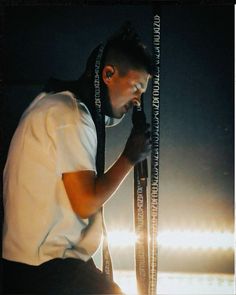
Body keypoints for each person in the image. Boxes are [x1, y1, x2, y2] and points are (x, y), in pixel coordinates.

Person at [2, 22, 153, 294]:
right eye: (136, 88)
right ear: (108, 74)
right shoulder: (71, 116)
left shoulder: (58, 104)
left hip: (37, 264)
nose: (137, 101)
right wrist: (130, 157)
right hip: (44, 270)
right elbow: (85, 202)